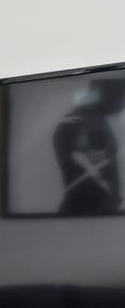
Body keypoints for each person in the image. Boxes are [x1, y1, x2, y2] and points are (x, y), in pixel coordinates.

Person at [53, 75, 125, 215]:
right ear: (113, 93)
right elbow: (96, 174)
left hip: (90, 212)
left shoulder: (91, 121)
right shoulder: (80, 123)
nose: (124, 104)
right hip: (87, 211)